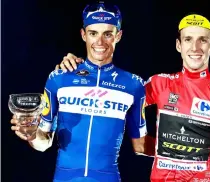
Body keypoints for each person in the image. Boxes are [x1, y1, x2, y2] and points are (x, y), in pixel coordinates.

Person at [55, 13, 210, 181]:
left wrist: (207, 175)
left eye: (203, 40)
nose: (195, 47)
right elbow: (115, 97)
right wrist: (77, 71)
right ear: (179, 45)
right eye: (188, 39)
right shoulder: (160, 83)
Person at [10, 2, 152, 182]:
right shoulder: (59, 78)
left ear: (118, 36)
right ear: (83, 35)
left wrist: (185, 147)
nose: (100, 42)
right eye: (93, 33)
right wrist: (31, 134)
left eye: (107, 34)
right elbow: (43, 142)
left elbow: (140, 146)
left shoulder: (134, 85)